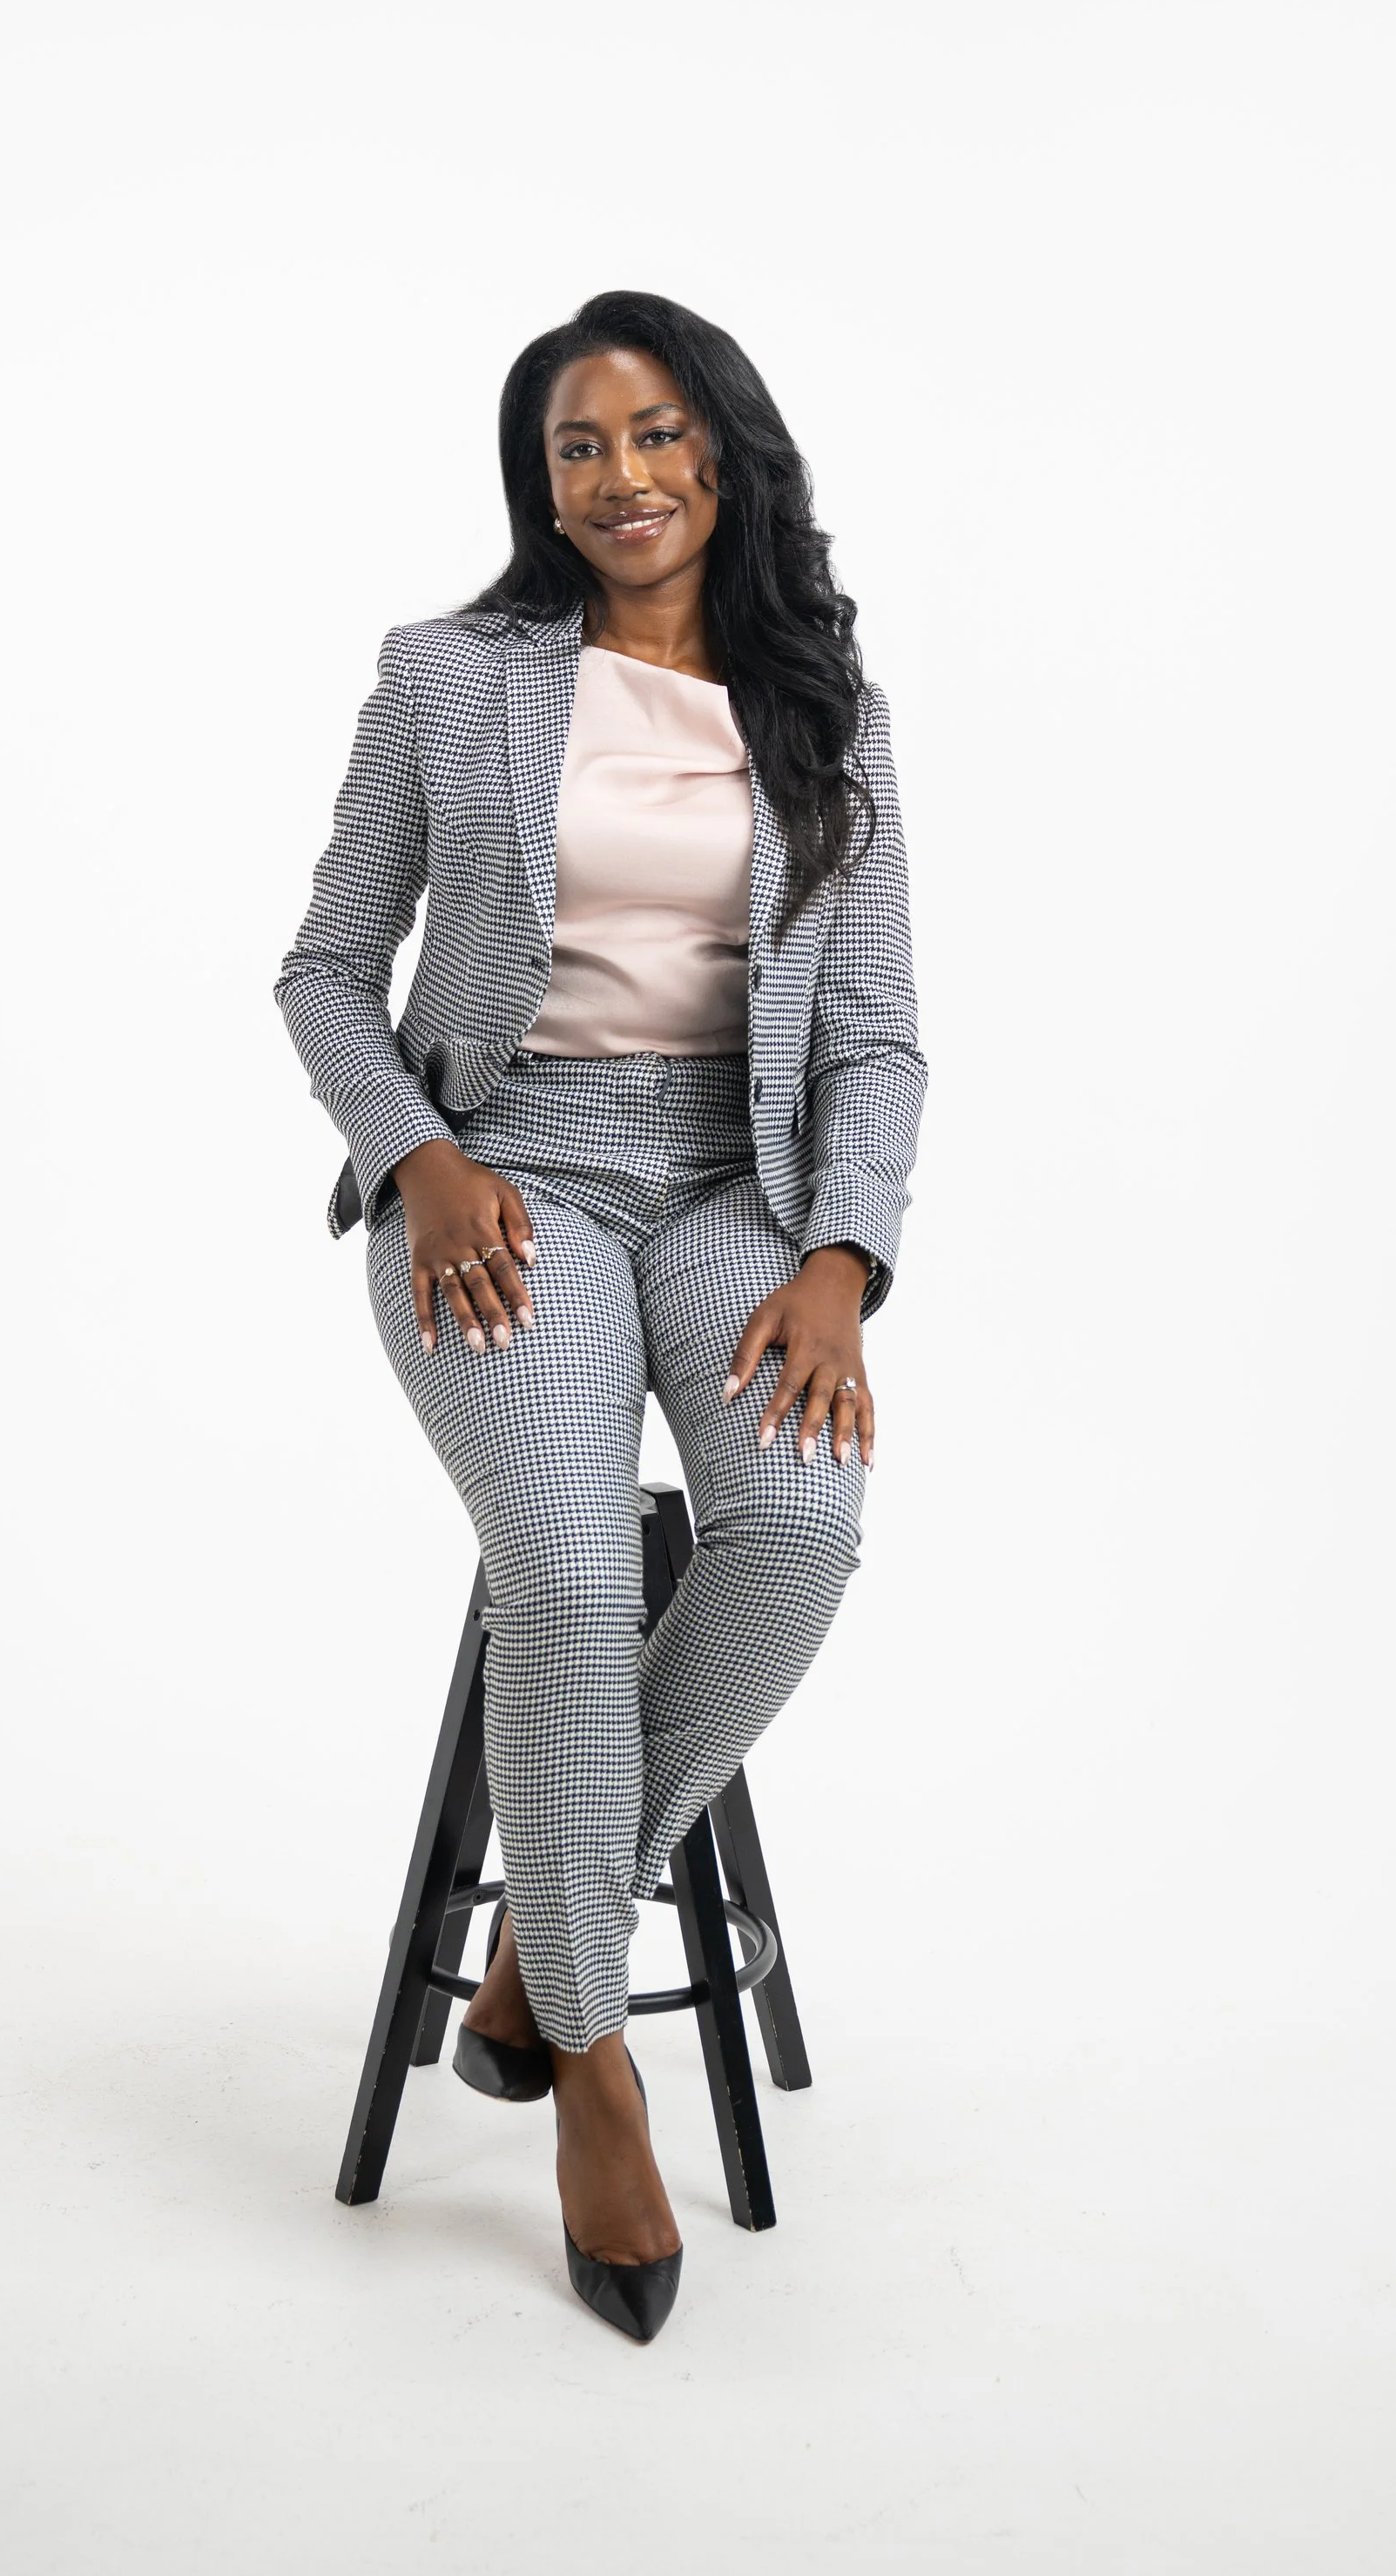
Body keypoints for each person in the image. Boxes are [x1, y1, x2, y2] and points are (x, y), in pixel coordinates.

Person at [275, 290, 926, 2343]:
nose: (618, 474)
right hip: (506, 1180)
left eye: (652, 435)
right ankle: (594, 2062)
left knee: (799, 1526)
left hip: (733, 1185)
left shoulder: (822, 706)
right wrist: (417, 1156)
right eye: (576, 444)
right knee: (560, 1573)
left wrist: (840, 1264)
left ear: (720, 453)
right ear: (538, 482)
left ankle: (541, 1944)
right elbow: (322, 971)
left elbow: (876, 1036)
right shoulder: (446, 676)